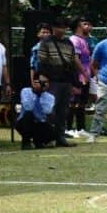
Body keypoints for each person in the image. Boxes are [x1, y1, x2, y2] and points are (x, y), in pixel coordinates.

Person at [36, 17, 83, 147]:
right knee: (49, 110)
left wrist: (75, 83)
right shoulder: (46, 42)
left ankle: (60, 137)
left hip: (66, 81)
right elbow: (41, 61)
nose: (61, 30)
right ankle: (47, 137)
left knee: (63, 111)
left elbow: (73, 62)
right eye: (58, 27)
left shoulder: (69, 43)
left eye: (63, 27)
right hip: (52, 81)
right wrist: (43, 77)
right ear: (53, 28)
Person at [67, 17, 93, 136]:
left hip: (85, 75)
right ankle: (69, 128)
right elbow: (75, 59)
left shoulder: (84, 40)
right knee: (73, 102)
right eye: (84, 24)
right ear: (78, 26)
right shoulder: (74, 40)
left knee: (82, 102)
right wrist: (83, 73)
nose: (87, 26)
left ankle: (81, 128)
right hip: (77, 76)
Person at [15, 74, 56, 149]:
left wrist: (41, 95)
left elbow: (47, 111)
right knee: (28, 114)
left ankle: (39, 142)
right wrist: (35, 94)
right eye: (41, 82)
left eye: (46, 82)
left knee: (51, 130)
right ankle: (26, 143)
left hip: (39, 123)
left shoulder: (50, 97)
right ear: (34, 82)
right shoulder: (25, 91)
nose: (44, 84)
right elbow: (28, 108)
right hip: (24, 123)